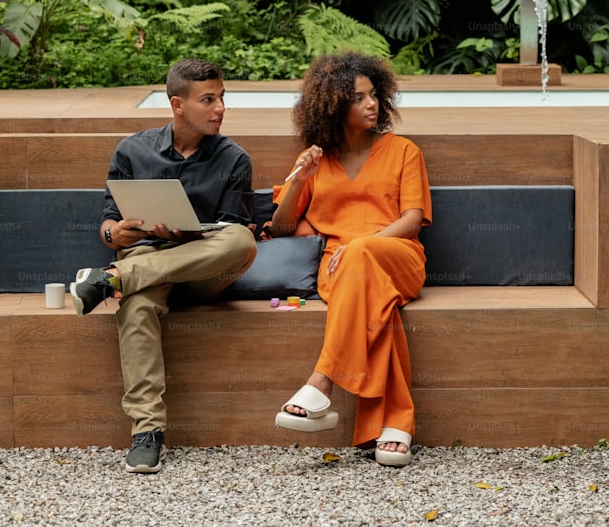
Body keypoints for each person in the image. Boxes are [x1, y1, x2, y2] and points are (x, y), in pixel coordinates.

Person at [69, 58, 257, 473]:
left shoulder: (234, 159)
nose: (220, 108)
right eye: (208, 100)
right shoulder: (132, 150)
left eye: (222, 97)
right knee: (134, 305)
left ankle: (112, 280)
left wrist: (188, 236)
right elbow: (108, 221)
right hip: (146, 257)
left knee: (242, 241)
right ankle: (146, 432)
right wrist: (114, 236)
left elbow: (232, 230)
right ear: (177, 104)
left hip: (205, 271)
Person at [269, 52, 431, 468]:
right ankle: (396, 423)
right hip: (340, 272)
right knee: (381, 309)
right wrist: (300, 180)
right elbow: (282, 227)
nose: (371, 104)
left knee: (361, 255)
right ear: (335, 106)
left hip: (398, 257)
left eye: (374, 94)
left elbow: (412, 221)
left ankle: (321, 381)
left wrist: (363, 244)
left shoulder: (403, 150)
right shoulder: (316, 158)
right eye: (359, 98)